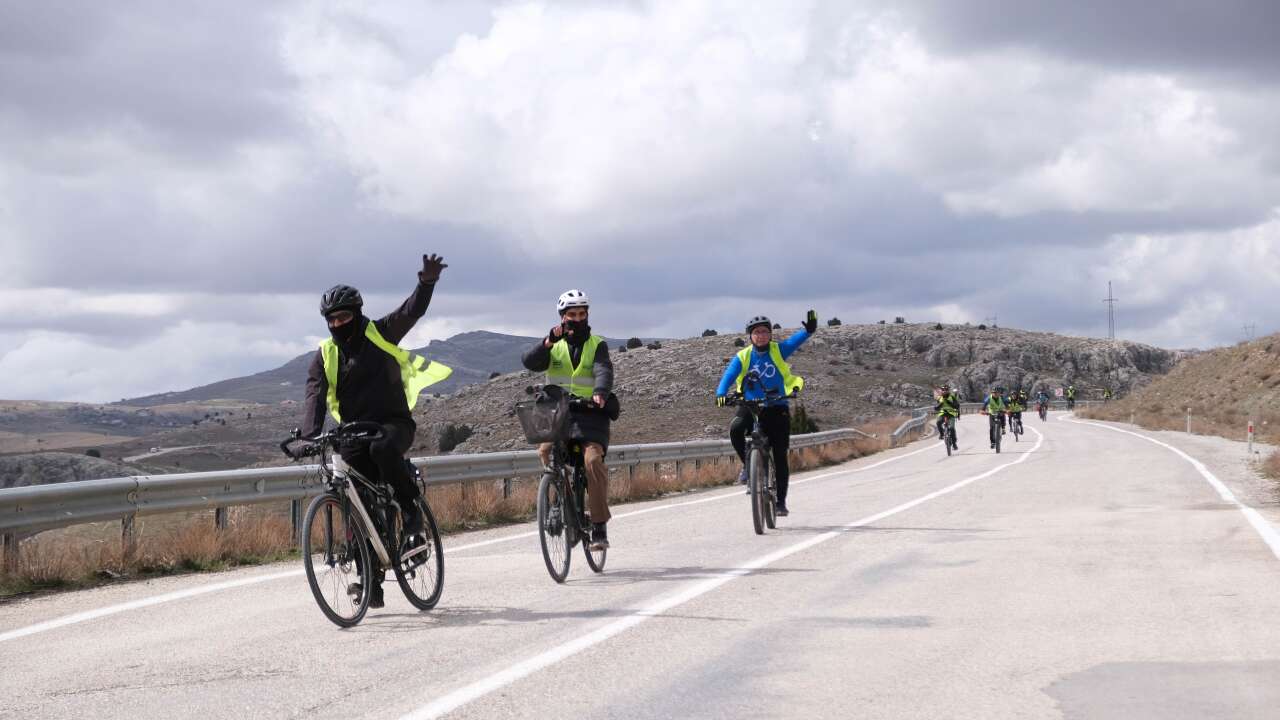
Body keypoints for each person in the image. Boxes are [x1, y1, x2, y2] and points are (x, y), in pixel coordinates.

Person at [301, 254, 453, 608]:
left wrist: (426, 283)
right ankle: (371, 578)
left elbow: (410, 311)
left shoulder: (380, 332)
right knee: (351, 496)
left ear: (357, 314)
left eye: (344, 317)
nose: (338, 324)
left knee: (384, 449)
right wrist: (308, 438)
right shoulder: (324, 355)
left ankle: (411, 510)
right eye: (332, 319)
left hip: (392, 423)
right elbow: (314, 397)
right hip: (351, 432)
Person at [521, 289, 616, 550]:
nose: (576, 318)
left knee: (592, 461)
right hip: (557, 414)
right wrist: (547, 342)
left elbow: (603, 370)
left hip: (589, 413)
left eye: (581, 313)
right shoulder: (554, 344)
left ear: (587, 315)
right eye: (571, 314)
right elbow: (530, 362)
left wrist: (599, 392)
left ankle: (598, 526)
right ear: (562, 317)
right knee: (546, 451)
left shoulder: (597, 344)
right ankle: (560, 505)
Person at [715, 310, 817, 517]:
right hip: (751, 405)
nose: (760, 335)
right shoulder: (743, 356)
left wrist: (808, 330)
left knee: (780, 455)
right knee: (736, 429)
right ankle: (749, 466)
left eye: (764, 332)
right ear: (750, 336)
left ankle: (780, 502)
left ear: (770, 334)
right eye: (756, 332)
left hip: (776, 405)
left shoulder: (778, 350)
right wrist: (721, 393)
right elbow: (729, 375)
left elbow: (794, 342)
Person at [935, 384, 960, 449]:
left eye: (946, 390)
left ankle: (954, 444)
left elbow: (957, 406)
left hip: (951, 414)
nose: (944, 391)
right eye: (943, 390)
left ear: (948, 391)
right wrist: (939, 405)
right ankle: (942, 434)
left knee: (951, 428)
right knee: (938, 422)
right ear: (941, 391)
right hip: (942, 413)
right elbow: (936, 408)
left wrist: (951, 404)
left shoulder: (952, 397)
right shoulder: (939, 398)